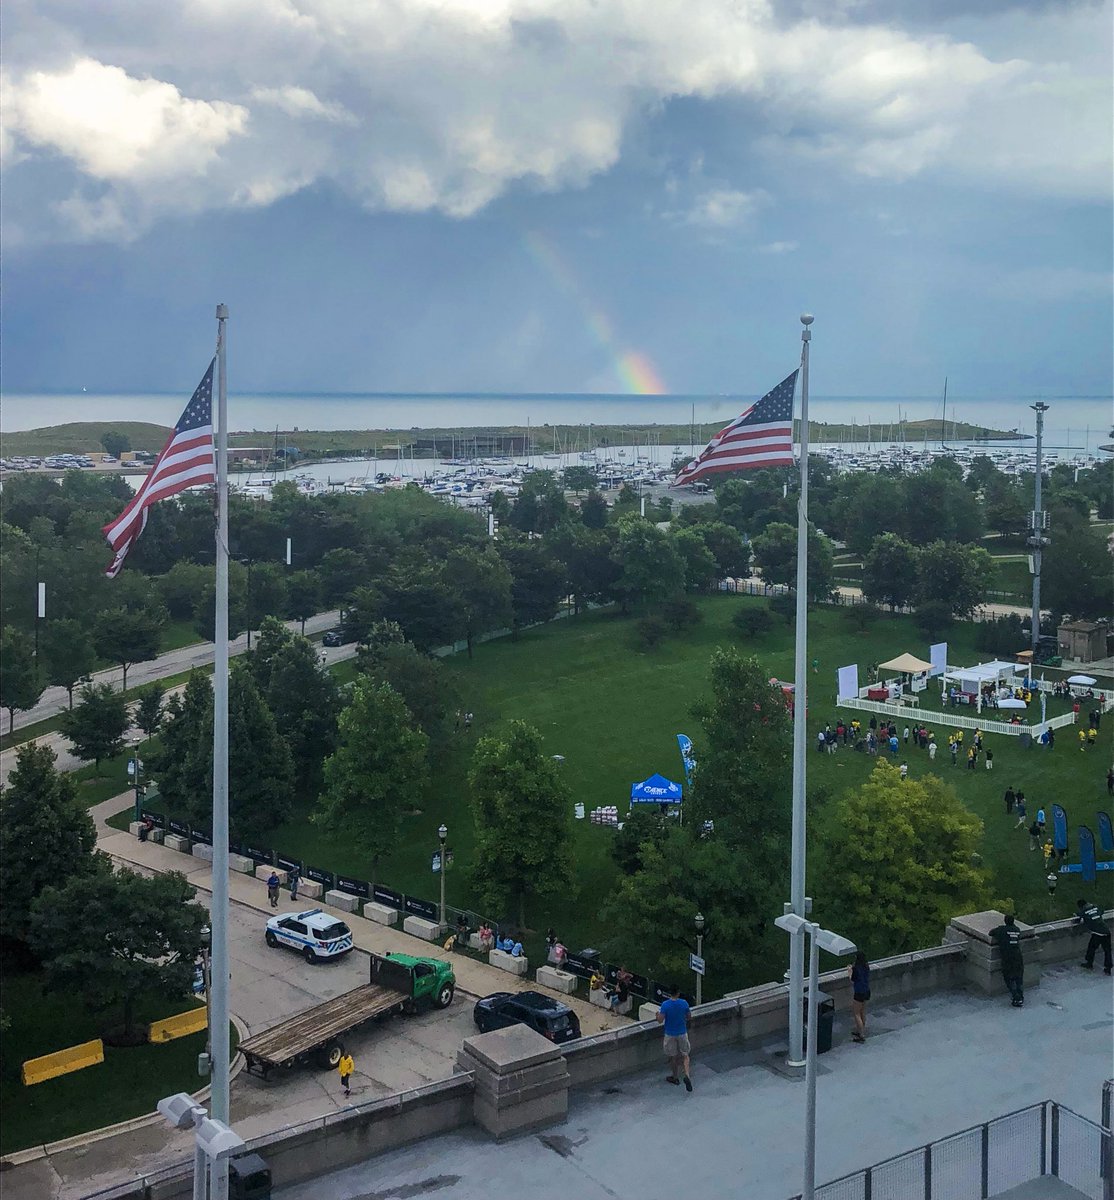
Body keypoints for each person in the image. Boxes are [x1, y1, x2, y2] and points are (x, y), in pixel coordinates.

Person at [656, 985, 693, 1091]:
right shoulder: (684, 1003)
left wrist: (657, 1015)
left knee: (673, 1057)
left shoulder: (665, 1005)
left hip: (670, 1033)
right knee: (685, 1055)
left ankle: (675, 1077)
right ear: (678, 993)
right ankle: (687, 1075)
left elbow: (660, 1020)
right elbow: (689, 1016)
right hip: (682, 1032)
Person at [991, 914, 1025, 1007]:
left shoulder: (1001, 930)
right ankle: (1020, 996)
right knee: (1019, 977)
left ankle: (1015, 997)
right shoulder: (1017, 930)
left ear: (1005, 921)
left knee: (1008, 977)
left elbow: (991, 933)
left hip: (1007, 957)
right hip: (1018, 956)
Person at [1076, 899, 1113, 974]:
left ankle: (1089, 963)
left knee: (1091, 948)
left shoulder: (1083, 912)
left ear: (1080, 906)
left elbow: (1078, 920)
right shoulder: (1095, 907)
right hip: (1106, 931)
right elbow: (1101, 912)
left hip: (1097, 933)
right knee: (1107, 951)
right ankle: (1108, 968)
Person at [848, 951, 871, 1043]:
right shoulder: (866, 966)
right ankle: (861, 1030)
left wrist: (849, 971)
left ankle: (861, 1034)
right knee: (862, 1012)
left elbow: (852, 980)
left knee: (856, 1013)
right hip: (867, 991)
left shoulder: (856, 969)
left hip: (859, 992)